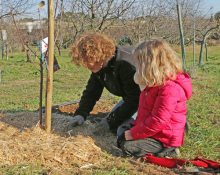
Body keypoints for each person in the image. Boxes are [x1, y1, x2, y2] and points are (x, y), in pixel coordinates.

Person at [117, 38, 192, 158]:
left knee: (127, 147)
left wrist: (132, 134)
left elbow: (158, 121)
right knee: (121, 135)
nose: (138, 67)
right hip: (157, 132)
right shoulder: (153, 84)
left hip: (165, 139)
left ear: (151, 64)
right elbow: (145, 113)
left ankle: (169, 151)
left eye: (140, 63)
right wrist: (133, 128)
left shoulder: (169, 89)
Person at [64, 33, 141, 136]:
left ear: (99, 56)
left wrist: (110, 121)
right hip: (131, 98)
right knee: (111, 126)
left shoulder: (125, 64)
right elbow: (92, 92)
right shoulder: (100, 66)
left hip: (149, 100)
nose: (86, 65)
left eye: (88, 61)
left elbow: (135, 99)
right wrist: (80, 114)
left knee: (122, 131)